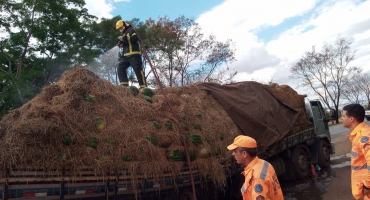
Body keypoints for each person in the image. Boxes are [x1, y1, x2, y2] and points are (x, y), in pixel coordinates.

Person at [227, 135, 284, 200]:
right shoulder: (264, 163)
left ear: (244, 154)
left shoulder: (256, 178)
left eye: (235, 151)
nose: (233, 154)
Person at [342, 103, 370, 200]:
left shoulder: (363, 136)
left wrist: (367, 185)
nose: (341, 118)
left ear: (351, 119)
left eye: (343, 116)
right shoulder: (359, 134)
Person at [115, 20, 147, 90]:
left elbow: (135, 38)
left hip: (134, 54)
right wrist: (123, 43)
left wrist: (124, 38)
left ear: (125, 25)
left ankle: (143, 86)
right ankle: (124, 86)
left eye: (121, 28)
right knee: (120, 67)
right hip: (126, 56)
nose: (120, 30)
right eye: (119, 29)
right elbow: (127, 42)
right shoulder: (125, 34)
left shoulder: (131, 31)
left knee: (138, 69)